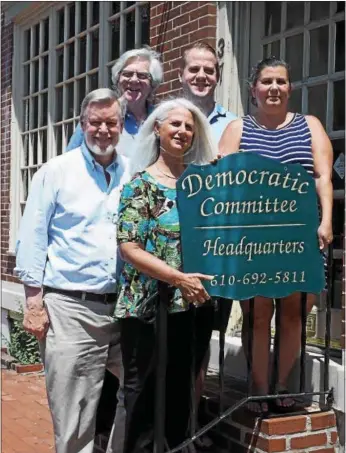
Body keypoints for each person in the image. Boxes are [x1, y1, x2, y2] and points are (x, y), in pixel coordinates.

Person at [15, 88, 131, 453]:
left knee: (143, 390)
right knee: (74, 413)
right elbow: (32, 236)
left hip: (126, 308)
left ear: (121, 126)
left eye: (111, 122)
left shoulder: (134, 172)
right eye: (94, 122)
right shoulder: (56, 171)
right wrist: (34, 302)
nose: (103, 130)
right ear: (82, 125)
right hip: (71, 309)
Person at [219, 57, 333, 413]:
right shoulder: (239, 129)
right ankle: (259, 387)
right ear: (254, 90)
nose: (274, 88)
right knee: (257, 315)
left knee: (294, 314)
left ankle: (282, 385)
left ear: (290, 88)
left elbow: (322, 177)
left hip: (301, 236)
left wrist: (326, 220)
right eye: (266, 82)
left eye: (281, 82)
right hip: (253, 241)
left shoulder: (309, 125)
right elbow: (222, 185)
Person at [115, 98, 217, 452]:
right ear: (157, 129)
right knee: (142, 395)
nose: (183, 131)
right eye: (175, 124)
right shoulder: (139, 185)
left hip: (192, 305)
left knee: (180, 392)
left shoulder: (202, 184)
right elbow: (129, 247)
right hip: (148, 306)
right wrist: (178, 278)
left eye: (189, 127)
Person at [179, 40, 237, 443]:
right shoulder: (169, 116)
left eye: (209, 70)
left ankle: (192, 427)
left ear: (218, 75)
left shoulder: (233, 124)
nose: (201, 76)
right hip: (169, 247)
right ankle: (165, 423)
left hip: (214, 249)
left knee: (200, 345)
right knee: (167, 343)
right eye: (194, 69)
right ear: (182, 74)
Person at [66, 47, 163, 156]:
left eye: (142, 75)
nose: (134, 80)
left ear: (153, 83)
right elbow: (70, 157)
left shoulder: (161, 119)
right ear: (118, 79)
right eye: (127, 74)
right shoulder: (97, 112)